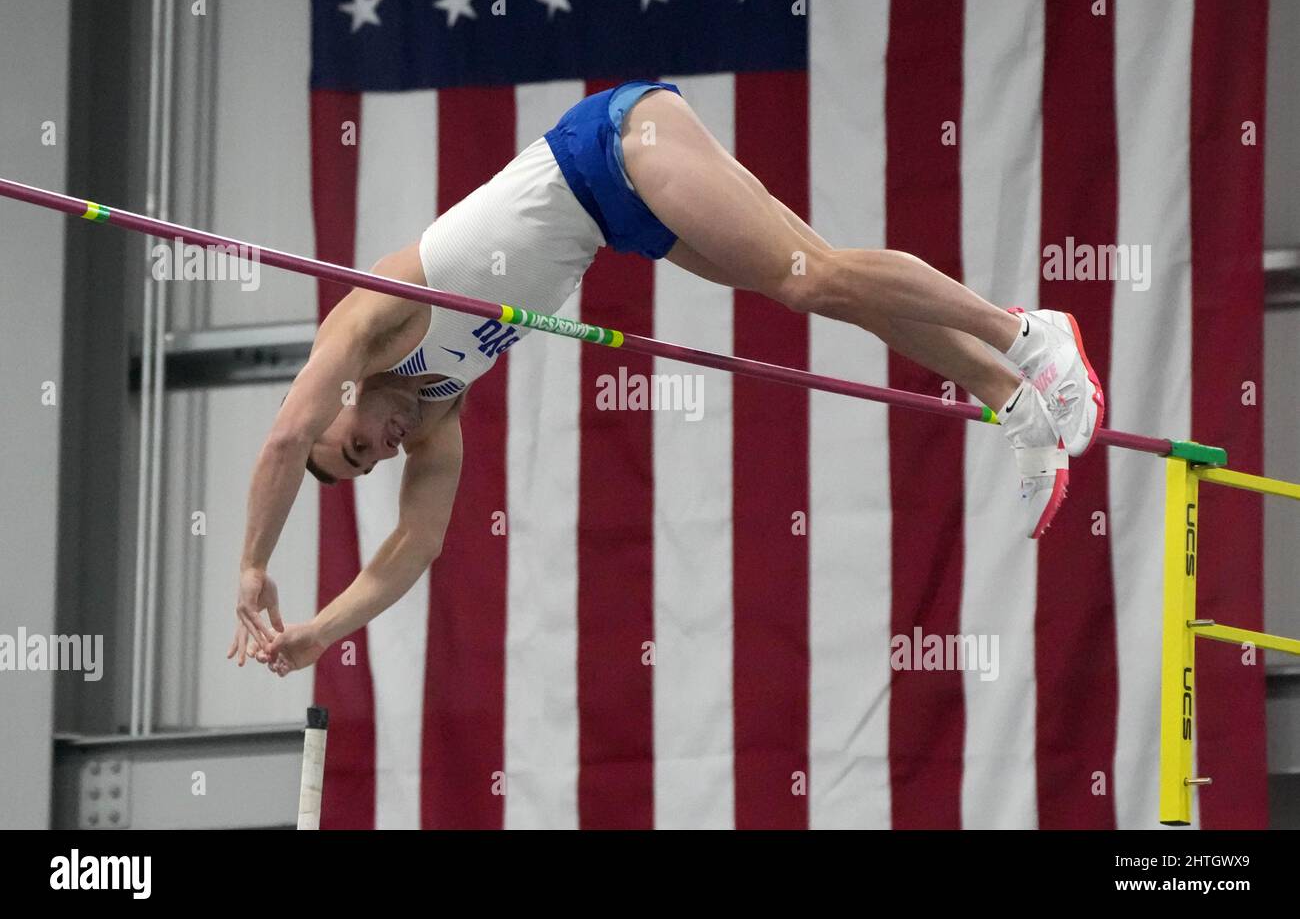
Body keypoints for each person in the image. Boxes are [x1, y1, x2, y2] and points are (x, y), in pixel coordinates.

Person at [231, 80, 1103, 676]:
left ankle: (1025, 333)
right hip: (613, 218)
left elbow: (281, 440)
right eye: (370, 468)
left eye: (350, 448)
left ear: (330, 404)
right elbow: (412, 549)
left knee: (810, 275)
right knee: (823, 291)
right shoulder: (437, 415)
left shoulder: (368, 320)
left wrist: (252, 567)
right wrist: (315, 633)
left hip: (615, 142)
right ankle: (1013, 400)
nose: (378, 454)